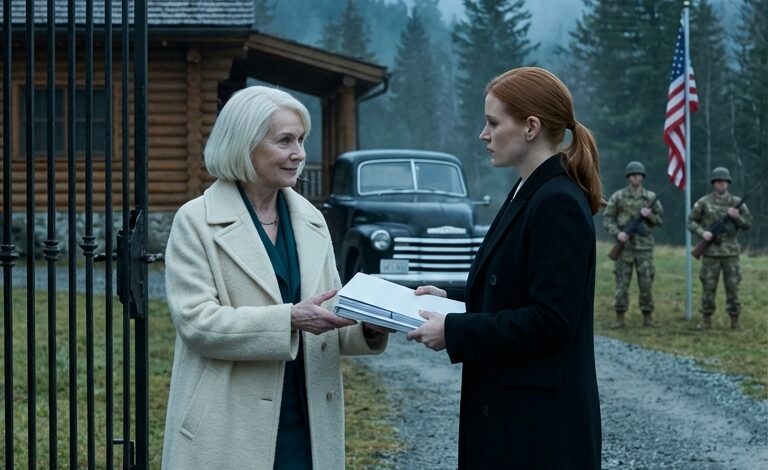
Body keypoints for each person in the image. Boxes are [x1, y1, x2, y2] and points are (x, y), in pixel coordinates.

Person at [161, 86, 388, 470]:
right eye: (285, 141)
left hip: (308, 422)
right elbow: (197, 324)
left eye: (301, 140)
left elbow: (329, 316)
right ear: (243, 145)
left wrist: (370, 324)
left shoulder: (312, 220)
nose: (299, 153)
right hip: (227, 426)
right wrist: (289, 319)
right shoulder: (195, 221)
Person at [407, 67, 602, 469]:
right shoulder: (526, 190)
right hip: (515, 416)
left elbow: (552, 320)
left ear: (531, 127)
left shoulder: (556, 202)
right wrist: (453, 298)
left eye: (493, 123)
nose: (484, 134)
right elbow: (514, 287)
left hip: (540, 431)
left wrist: (455, 330)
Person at [688, 166, 753, 330]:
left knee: (733, 287)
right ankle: (706, 320)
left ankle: (735, 321)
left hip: (731, 254)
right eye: (718, 181)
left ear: (728, 183)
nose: (721, 184)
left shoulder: (736, 203)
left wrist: (737, 217)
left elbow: (748, 224)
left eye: (724, 181)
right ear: (713, 183)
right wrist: (703, 233)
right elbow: (691, 222)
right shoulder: (703, 202)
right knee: (708, 288)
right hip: (710, 253)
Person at [603, 161, 664, 328]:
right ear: (628, 177)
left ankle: (648, 318)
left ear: (642, 177)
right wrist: (618, 233)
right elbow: (608, 218)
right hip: (624, 249)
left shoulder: (650, 197)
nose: (635, 178)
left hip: (644, 248)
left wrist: (649, 215)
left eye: (638, 175)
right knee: (622, 283)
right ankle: (620, 318)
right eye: (632, 175)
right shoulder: (618, 196)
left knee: (646, 283)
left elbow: (659, 221)